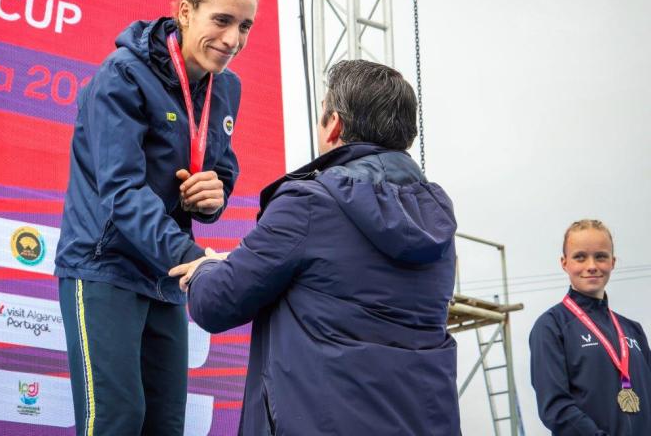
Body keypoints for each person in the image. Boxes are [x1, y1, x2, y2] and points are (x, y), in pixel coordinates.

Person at [170, 59, 460, 435]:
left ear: (334, 124)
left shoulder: (309, 204)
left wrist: (205, 268)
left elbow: (217, 302)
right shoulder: (436, 216)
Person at [54, 0, 258, 436]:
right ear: (185, 12)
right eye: (222, 20)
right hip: (103, 267)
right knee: (118, 421)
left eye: (245, 26)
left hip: (166, 276)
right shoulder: (122, 75)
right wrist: (193, 257)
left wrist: (213, 195)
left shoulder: (226, 87)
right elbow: (121, 192)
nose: (232, 40)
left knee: (164, 426)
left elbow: (219, 168)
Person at [530, 219, 651, 435]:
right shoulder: (551, 326)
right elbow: (556, 407)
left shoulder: (633, 330)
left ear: (612, 262)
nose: (592, 266)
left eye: (601, 256)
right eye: (580, 257)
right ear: (564, 262)